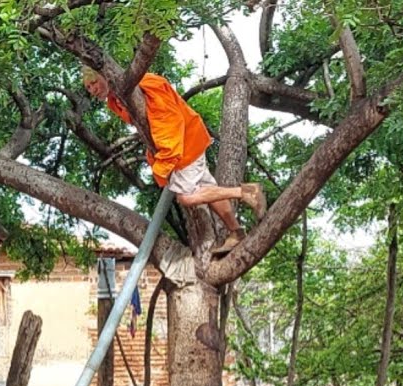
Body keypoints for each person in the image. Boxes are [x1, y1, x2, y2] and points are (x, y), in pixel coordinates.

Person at [81, 67, 267, 256]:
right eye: (88, 87)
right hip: (183, 142)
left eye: (94, 82)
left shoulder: (144, 84)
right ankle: (236, 231)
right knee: (207, 187)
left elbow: (169, 121)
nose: (92, 89)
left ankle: (245, 192)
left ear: (105, 75)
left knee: (187, 197)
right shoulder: (114, 101)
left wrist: (164, 161)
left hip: (182, 144)